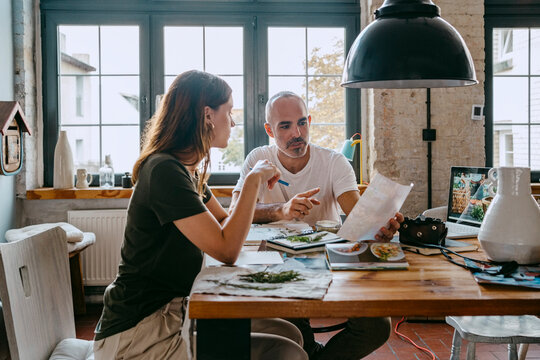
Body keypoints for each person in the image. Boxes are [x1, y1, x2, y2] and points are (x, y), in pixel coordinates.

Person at [93, 71, 308, 360]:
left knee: (290, 334)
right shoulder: (164, 171)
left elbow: (223, 222)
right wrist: (252, 181)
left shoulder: (185, 171)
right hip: (139, 332)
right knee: (285, 352)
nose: (232, 122)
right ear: (208, 115)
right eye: (229, 112)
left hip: (176, 313)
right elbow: (226, 249)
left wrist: (275, 209)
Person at [230, 91, 404, 360]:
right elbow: (235, 212)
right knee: (292, 328)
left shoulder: (334, 162)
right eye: (285, 126)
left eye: (302, 123)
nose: (296, 133)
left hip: (330, 266)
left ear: (310, 121)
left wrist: (379, 226)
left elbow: (357, 214)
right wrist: (281, 210)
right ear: (269, 129)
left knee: (377, 326)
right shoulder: (258, 159)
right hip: (276, 269)